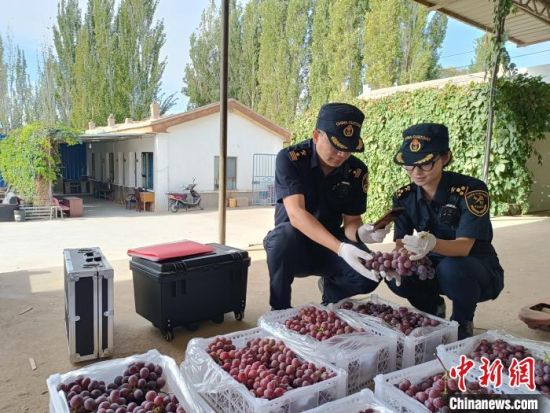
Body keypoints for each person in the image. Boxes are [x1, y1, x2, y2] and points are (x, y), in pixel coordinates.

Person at [263, 102, 390, 310]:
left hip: (330, 245)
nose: (342, 155)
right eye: (336, 146)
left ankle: (331, 295)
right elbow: (296, 214)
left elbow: (352, 222)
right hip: (295, 246)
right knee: (281, 239)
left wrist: (361, 233)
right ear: (316, 136)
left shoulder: (356, 171)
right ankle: (279, 310)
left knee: (368, 274)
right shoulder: (290, 159)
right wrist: (340, 248)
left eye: (348, 149)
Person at [387, 123, 504, 339]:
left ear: (445, 158)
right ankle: (432, 309)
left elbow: (464, 246)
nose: (416, 172)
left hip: (474, 268)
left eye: (426, 164)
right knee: (396, 272)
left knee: (452, 268)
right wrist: (397, 255)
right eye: (409, 165)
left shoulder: (471, 190)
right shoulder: (404, 196)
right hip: (430, 265)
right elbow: (401, 242)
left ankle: (462, 321)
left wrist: (432, 244)